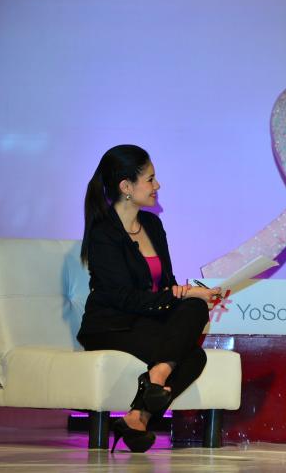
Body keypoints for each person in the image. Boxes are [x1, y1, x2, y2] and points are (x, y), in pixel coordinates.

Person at [76, 145, 221, 453]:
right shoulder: (104, 233)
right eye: (151, 179)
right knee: (193, 355)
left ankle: (140, 409)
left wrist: (183, 292)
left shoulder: (152, 225)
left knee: (195, 307)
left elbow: (164, 283)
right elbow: (123, 298)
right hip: (111, 324)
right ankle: (150, 391)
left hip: (144, 319)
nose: (158, 186)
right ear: (126, 187)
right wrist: (176, 295)